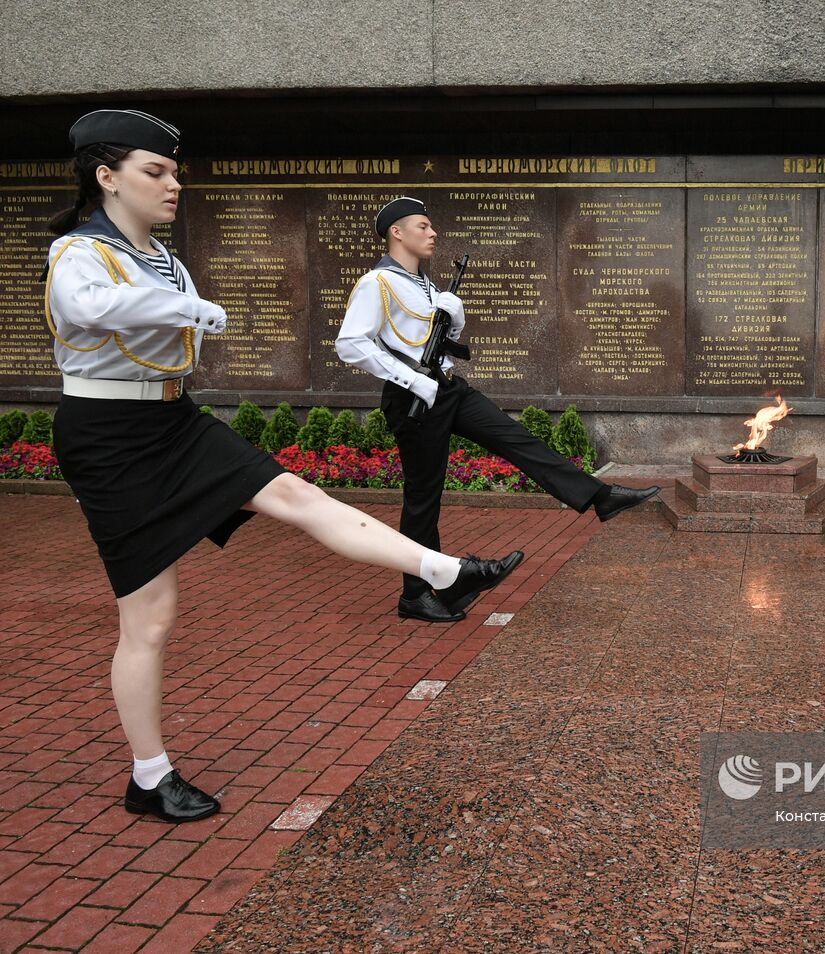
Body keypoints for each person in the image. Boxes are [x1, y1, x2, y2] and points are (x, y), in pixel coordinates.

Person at [46, 110, 521, 823]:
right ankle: (149, 776)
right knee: (150, 619)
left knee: (297, 494)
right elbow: (82, 308)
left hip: (174, 418)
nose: (174, 182)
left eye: (175, 170)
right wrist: (190, 308)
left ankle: (441, 571)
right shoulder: (80, 252)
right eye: (156, 171)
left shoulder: (163, 258)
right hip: (107, 435)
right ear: (106, 178)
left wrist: (182, 300)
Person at [335, 197, 658, 623]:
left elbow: (439, 337)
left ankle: (600, 497)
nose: (433, 234)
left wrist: (455, 318)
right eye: (423, 226)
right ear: (396, 231)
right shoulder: (375, 283)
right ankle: (415, 594)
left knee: (514, 437)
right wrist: (415, 380)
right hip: (414, 397)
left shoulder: (426, 284)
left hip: (449, 388)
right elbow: (350, 344)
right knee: (422, 498)